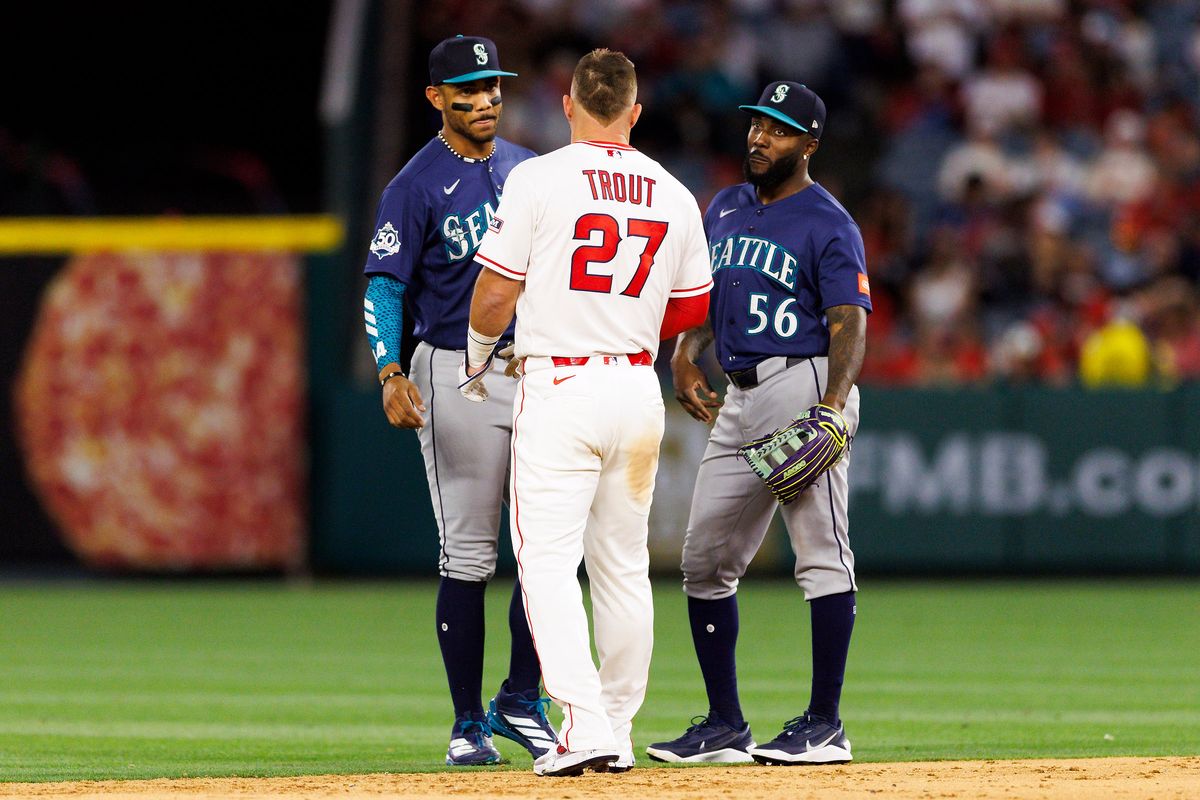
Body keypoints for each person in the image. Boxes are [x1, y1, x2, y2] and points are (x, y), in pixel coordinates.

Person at [459, 49, 713, 776]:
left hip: (561, 386)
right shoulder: (672, 191)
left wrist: (477, 357)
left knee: (546, 564)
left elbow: (494, 293)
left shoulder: (537, 178)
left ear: (569, 106)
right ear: (635, 112)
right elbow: (691, 310)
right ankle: (617, 728)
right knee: (623, 570)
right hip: (635, 389)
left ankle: (582, 727)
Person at [647, 80, 870, 766]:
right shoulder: (726, 207)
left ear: (808, 143)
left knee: (821, 555)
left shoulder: (829, 221)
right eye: (756, 125)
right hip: (738, 395)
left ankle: (826, 724)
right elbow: (708, 299)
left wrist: (833, 404)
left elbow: (849, 321)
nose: (758, 137)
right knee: (705, 561)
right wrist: (686, 356)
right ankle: (725, 724)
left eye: (776, 129)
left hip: (799, 382)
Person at [360, 34, 556, 767]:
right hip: (454, 372)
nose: (485, 100)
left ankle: (522, 697)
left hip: (533, 368)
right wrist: (388, 371)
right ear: (436, 98)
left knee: (548, 545)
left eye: (493, 87)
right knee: (470, 554)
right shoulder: (414, 184)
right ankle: (468, 722)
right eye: (467, 90)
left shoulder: (529, 169)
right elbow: (384, 283)